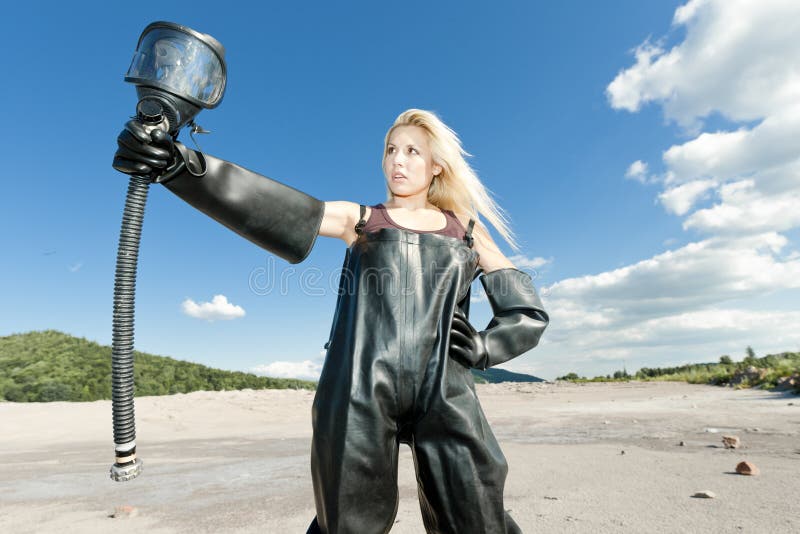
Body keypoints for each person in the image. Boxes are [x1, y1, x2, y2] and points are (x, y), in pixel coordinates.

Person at [113, 108, 549, 534]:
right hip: (358, 391)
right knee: (346, 524)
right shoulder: (360, 220)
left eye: (413, 152)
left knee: (477, 518)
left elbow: (526, 310)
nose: (397, 160)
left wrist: (486, 347)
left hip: (446, 392)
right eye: (391, 149)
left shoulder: (466, 229)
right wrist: (179, 166)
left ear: (437, 165)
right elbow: (277, 207)